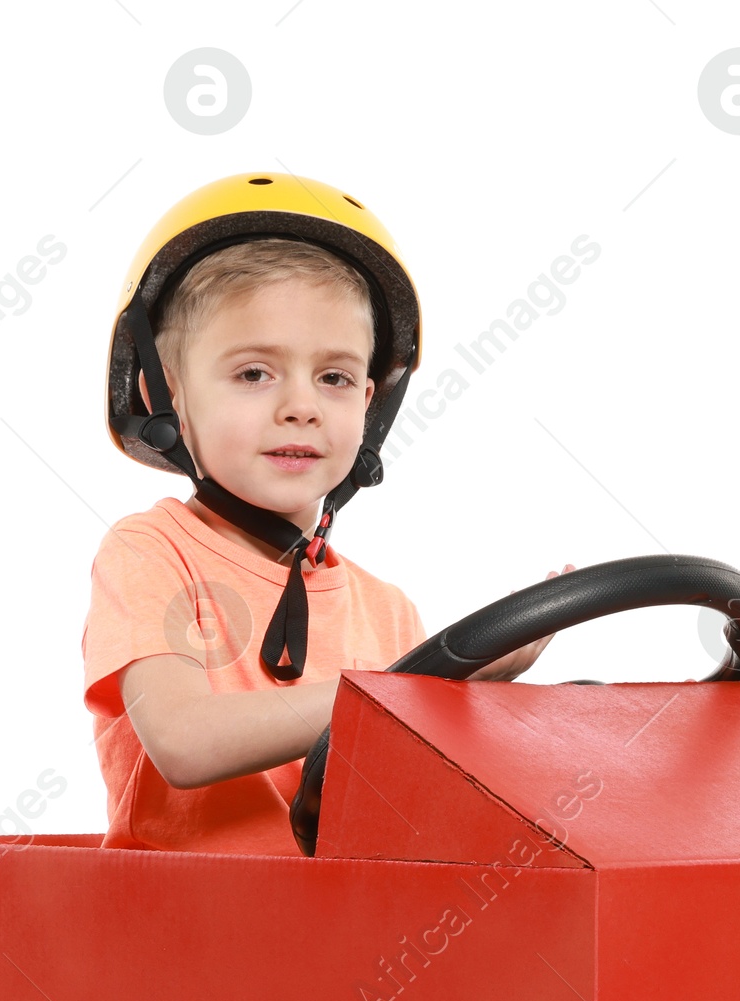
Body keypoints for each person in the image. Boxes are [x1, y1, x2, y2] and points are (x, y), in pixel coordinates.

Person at [83, 171, 565, 853]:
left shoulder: (389, 613)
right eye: (254, 373)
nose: (302, 406)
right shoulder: (151, 553)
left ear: (369, 404)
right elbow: (184, 744)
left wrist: (483, 703)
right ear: (167, 396)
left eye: (334, 377)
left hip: (345, 941)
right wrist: (417, 688)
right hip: (178, 942)